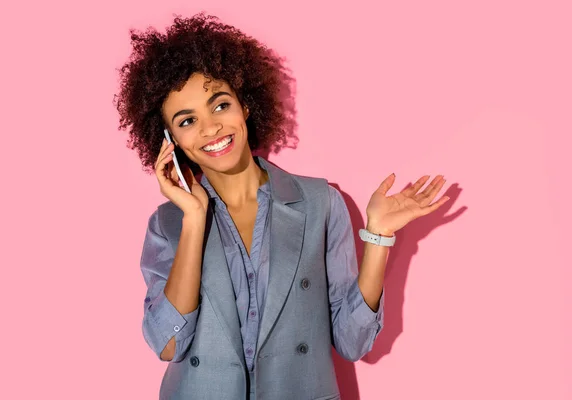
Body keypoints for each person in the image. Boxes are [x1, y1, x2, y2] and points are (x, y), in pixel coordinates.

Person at [114, 12, 449, 400]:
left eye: (220, 105)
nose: (210, 128)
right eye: (187, 121)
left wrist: (379, 236)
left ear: (246, 106)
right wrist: (193, 217)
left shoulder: (320, 203)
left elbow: (352, 342)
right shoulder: (168, 224)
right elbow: (168, 345)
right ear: (169, 139)